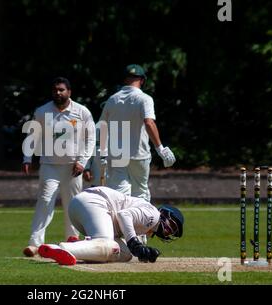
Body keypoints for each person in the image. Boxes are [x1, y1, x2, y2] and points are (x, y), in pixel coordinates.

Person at [22, 77, 95, 257]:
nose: (58, 93)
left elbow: (90, 138)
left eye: (61, 90)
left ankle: (73, 240)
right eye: (55, 90)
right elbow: (32, 136)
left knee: (73, 204)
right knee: (45, 201)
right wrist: (27, 158)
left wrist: (82, 162)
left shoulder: (82, 112)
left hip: (73, 167)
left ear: (69, 92)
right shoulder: (42, 111)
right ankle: (35, 244)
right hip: (49, 165)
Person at [37, 186, 184, 265]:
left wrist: (138, 250)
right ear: (165, 214)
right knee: (109, 245)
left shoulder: (149, 221)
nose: (169, 230)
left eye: (173, 231)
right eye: (171, 225)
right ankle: (60, 248)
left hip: (84, 208)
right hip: (94, 203)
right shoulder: (153, 216)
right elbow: (124, 215)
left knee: (125, 254)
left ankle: (81, 246)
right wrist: (134, 242)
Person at [99, 64, 176, 202]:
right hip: (138, 153)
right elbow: (149, 122)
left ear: (124, 79)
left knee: (119, 195)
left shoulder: (112, 99)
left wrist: (103, 152)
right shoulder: (144, 99)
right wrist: (161, 149)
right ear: (142, 80)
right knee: (140, 194)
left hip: (117, 153)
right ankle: (139, 223)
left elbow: (103, 126)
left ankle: (120, 223)